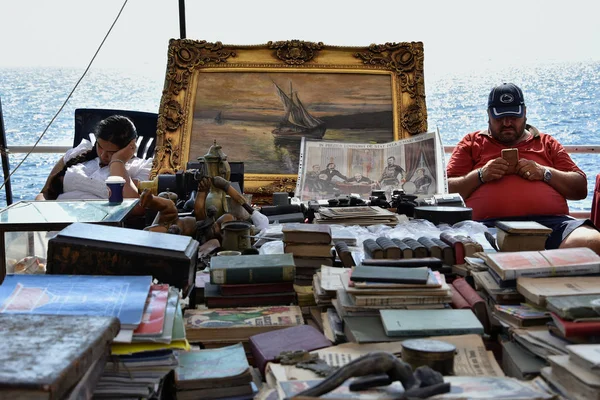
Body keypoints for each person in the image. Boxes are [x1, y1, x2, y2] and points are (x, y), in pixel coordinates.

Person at [446, 82, 600, 253]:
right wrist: (481, 175)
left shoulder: (546, 143)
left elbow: (580, 189)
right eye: (499, 117)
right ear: (489, 114)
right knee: (461, 250)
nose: (507, 123)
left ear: (524, 113)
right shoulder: (472, 142)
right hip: (486, 227)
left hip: (551, 224)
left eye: (513, 117)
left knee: (594, 242)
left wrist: (544, 173)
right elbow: (445, 190)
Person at [36, 115, 153, 201]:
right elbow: (45, 192)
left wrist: (118, 161)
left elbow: (132, 206)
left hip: (97, 228)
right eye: (100, 147)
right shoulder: (80, 153)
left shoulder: (141, 168)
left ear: (130, 147)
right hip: (56, 220)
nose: (103, 155)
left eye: (112, 152)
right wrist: (41, 209)